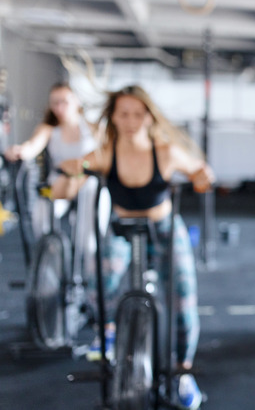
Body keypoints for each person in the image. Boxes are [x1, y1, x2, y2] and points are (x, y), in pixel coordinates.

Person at [59, 85, 214, 410]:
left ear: (148, 116)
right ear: (114, 117)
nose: (130, 121)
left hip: (165, 228)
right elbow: (67, 186)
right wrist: (70, 175)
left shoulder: (166, 151)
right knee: (99, 284)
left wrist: (201, 176)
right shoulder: (104, 153)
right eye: (123, 114)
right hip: (122, 228)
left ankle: (182, 372)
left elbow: (199, 171)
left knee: (183, 299)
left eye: (137, 113)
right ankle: (110, 332)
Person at [3, 82, 98, 238]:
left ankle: (90, 251)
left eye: (64, 102)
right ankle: (47, 252)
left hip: (86, 181)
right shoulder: (48, 129)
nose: (60, 107)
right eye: (55, 103)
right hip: (58, 181)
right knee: (43, 208)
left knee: (92, 200)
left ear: (76, 101)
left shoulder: (92, 128)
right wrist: (19, 151)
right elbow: (32, 146)